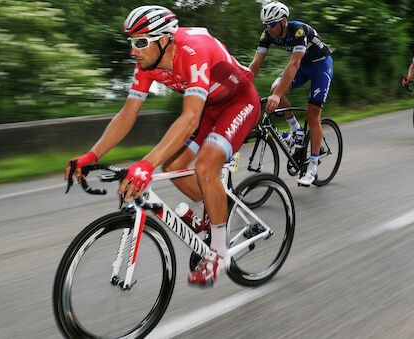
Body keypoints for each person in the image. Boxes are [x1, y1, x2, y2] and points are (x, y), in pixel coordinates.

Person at [65, 5, 260, 286]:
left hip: (239, 102)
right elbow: (127, 114)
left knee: (205, 166)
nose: (134, 50)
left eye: (141, 42)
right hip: (208, 107)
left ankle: (218, 253)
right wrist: (91, 154)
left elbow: (190, 117)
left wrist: (146, 164)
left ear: (164, 39)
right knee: (174, 165)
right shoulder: (147, 65)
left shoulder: (194, 50)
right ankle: (216, 206)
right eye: (132, 42)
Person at [248, 1, 333, 186]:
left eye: (271, 24)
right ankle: (297, 130)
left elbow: (293, 64)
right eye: (266, 25)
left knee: (312, 114)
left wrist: (278, 96)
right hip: (302, 66)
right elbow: (255, 64)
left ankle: (312, 166)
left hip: (321, 66)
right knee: (274, 88)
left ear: (283, 22)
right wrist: (241, 85)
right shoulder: (267, 35)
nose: (268, 29)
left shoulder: (299, 31)